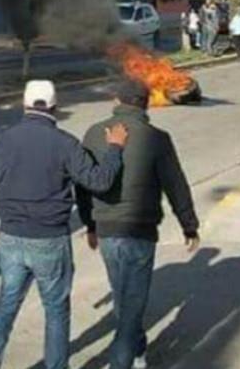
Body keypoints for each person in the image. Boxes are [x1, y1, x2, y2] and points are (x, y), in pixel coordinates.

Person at [0, 81, 130, 369]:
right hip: (49, 238)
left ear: (24, 104)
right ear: (55, 107)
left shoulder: (2, 139)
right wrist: (115, 149)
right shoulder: (65, 143)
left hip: (10, 236)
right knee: (56, 310)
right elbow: (98, 181)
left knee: (6, 305)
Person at [76, 80, 200, 369]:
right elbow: (175, 184)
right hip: (140, 230)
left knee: (122, 297)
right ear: (145, 104)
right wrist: (189, 224)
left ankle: (138, 351)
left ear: (116, 99)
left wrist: (89, 224)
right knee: (132, 305)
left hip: (106, 229)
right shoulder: (156, 137)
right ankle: (123, 361)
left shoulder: (94, 133)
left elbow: (82, 185)